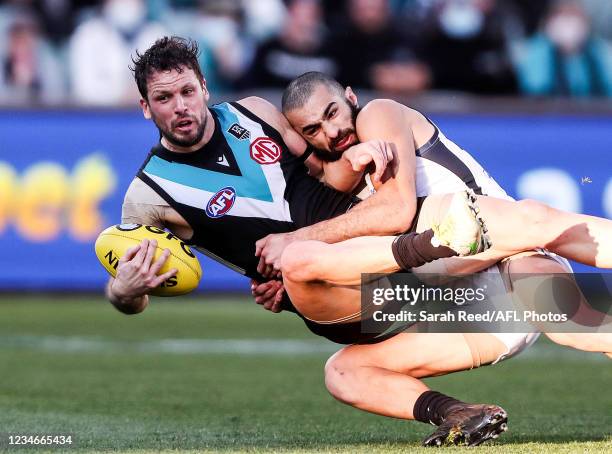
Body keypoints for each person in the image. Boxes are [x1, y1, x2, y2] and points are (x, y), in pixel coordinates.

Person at [106, 39, 610, 446]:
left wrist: (354, 158)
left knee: (560, 292)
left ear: (203, 86)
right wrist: (124, 292)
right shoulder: (148, 195)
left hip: (409, 279)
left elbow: (325, 173)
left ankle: (457, 415)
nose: (180, 107)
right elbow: (133, 296)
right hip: (340, 297)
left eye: (187, 92)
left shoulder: (253, 112)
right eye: (164, 99)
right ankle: (439, 243)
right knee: (304, 260)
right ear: (146, 108)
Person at [251, 71, 612, 445]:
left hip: (508, 250)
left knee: (573, 327)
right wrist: (289, 286)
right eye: (313, 129)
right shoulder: (332, 181)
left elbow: (397, 210)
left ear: (351, 97)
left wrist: (296, 240)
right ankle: (462, 414)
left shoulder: (378, 112)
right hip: (463, 298)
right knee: (343, 372)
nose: (331, 130)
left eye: (332, 112)